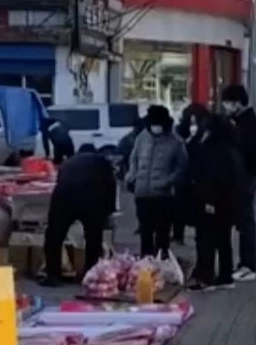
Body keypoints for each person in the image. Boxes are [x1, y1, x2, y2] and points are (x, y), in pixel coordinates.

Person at [40, 146, 116, 284]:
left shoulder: (69, 162)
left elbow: (60, 181)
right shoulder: (102, 161)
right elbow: (111, 185)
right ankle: (90, 274)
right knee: (93, 237)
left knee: (54, 236)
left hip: (64, 196)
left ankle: (53, 275)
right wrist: (109, 210)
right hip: (91, 198)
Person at [188, 113, 246, 291]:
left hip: (211, 201)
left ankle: (206, 277)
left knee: (206, 239)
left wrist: (208, 201)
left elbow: (209, 178)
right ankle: (225, 276)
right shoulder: (232, 150)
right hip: (228, 202)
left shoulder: (211, 150)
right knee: (223, 239)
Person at [126, 103, 188, 258]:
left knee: (162, 234)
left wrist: (168, 181)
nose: (155, 128)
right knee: (145, 232)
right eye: (153, 124)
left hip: (163, 196)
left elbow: (182, 166)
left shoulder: (175, 141)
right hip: (142, 192)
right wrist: (132, 174)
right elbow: (134, 157)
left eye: (158, 125)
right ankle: (145, 265)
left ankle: (161, 264)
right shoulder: (142, 137)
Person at [220, 81, 256, 281]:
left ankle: (248, 265)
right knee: (241, 221)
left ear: (237, 103)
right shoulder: (240, 122)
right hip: (240, 176)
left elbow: (251, 152)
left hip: (246, 176)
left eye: (228, 103)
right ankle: (244, 263)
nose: (225, 107)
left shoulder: (248, 124)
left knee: (245, 222)